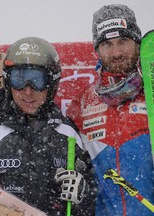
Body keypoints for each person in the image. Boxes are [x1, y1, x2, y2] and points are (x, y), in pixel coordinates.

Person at [0, 37, 96, 215]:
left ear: (51, 83)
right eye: (19, 79)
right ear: (8, 82)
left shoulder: (67, 132)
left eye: (37, 81)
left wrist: (83, 193)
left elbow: (92, 200)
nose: (28, 91)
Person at [66, 4, 154, 216]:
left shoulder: (151, 92)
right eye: (107, 44)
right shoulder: (83, 103)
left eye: (123, 41)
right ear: (97, 50)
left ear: (137, 43)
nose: (116, 52)